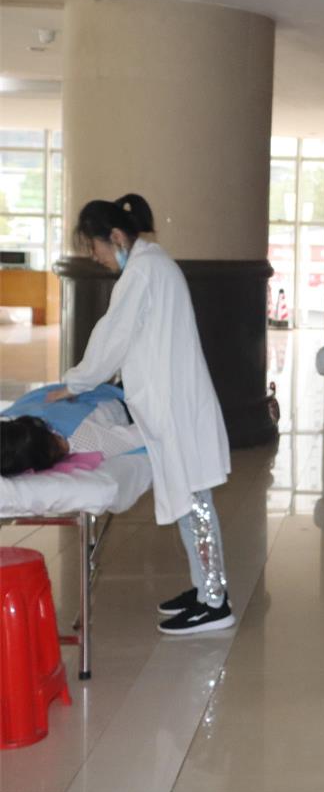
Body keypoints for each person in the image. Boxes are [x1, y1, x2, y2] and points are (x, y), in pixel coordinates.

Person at [46, 194, 235, 635]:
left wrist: (75, 383)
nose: (96, 257)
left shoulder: (142, 272)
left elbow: (112, 336)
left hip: (175, 407)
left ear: (115, 236)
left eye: (95, 247)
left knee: (194, 502)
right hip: (175, 403)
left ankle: (215, 602)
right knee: (190, 499)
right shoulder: (155, 264)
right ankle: (205, 588)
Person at [1, 384, 145, 477]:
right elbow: (147, 434)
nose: (59, 438)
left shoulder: (86, 441)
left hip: (130, 399)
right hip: (127, 399)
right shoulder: (18, 411)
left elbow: (147, 435)